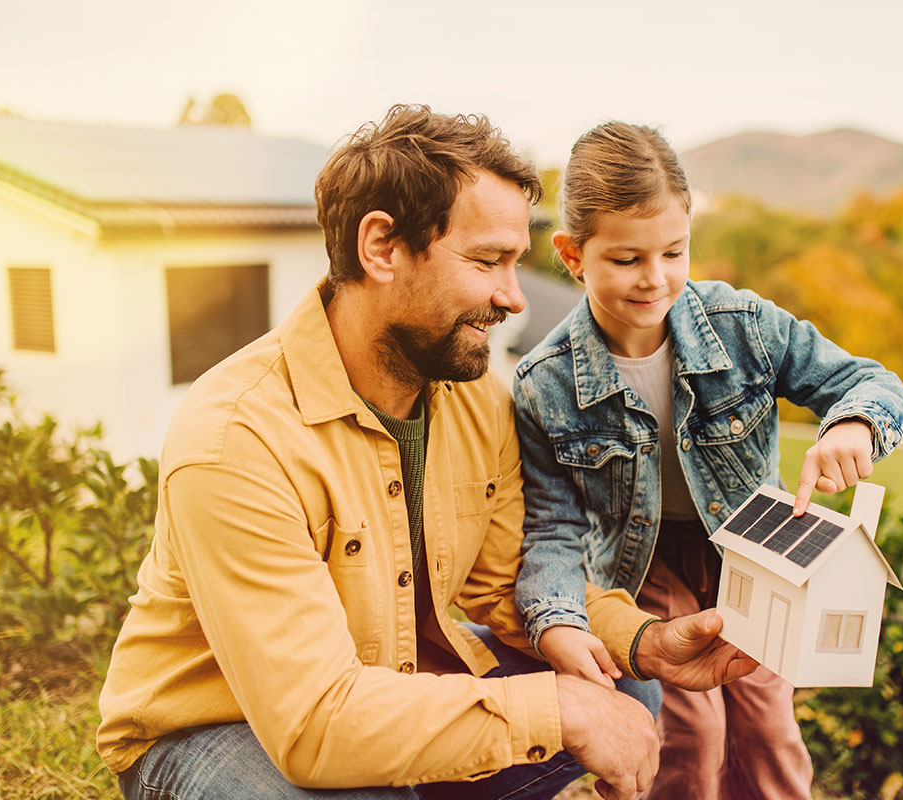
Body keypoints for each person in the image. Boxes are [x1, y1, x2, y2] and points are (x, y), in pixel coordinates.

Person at [96, 105, 758, 800]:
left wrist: (641, 639)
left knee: (621, 686)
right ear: (381, 247)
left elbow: (507, 579)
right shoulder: (235, 439)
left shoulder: (472, 395)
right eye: (486, 262)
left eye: (515, 263)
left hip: (391, 684)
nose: (511, 297)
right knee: (369, 784)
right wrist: (556, 709)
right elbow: (317, 724)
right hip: (220, 727)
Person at [513, 121, 903, 799]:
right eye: (626, 259)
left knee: (768, 728)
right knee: (689, 736)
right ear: (572, 254)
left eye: (673, 252)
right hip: (642, 568)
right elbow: (551, 527)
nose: (655, 279)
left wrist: (852, 423)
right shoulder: (542, 383)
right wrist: (555, 616)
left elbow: (871, 384)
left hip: (752, 551)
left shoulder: (743, 325)